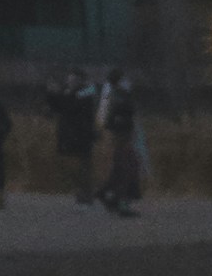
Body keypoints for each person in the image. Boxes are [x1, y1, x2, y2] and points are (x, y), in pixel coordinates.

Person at [99, 68, 145, 215]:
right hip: (122, 136)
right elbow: (120, 117)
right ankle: (121, 202)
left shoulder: (116, 95)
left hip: (122, 136)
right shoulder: (119, 97)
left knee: (121, 168)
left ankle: (108, 194)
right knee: (127, 168)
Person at [52, 71, 99, 208]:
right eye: (69, 80)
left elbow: (73, 107)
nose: (70, 83)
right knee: (77, 166)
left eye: (73, 80)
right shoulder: (76, 93)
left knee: (84, 166)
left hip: (82, 134)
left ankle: (86, 194)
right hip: (73, 135)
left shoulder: (83, 94)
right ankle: (83, 192)